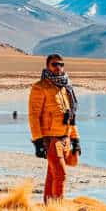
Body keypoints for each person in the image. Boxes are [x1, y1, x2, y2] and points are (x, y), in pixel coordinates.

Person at [28, 53, 81, 202]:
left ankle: (48, 210)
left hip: (65, 139)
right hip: (51, 140)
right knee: (60, 175)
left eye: (61, 64)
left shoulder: (66, 88)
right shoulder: (40, 87)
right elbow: (33, 116)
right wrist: (38, 142)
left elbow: (71, 117)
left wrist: (75, 140)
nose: (58, 67)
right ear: (47, 66)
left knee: (52, 175)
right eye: (55, 64)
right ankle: (57, 210)